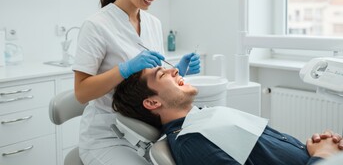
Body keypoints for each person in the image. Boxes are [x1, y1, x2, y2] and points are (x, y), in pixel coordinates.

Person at [72, 0, 201, 165]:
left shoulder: (153, 23)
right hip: (107, 134)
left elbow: (150, 81)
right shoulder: (96, 25)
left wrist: (177, 71)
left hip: (146, 131)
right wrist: (124, 69)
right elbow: (82, 93)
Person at [112, 67, 343, 165]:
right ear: (153, 102)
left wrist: (319, 149)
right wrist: (323, 155)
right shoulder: (192, 141)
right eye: (163, 74)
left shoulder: (202, 119)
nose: (175, 70)